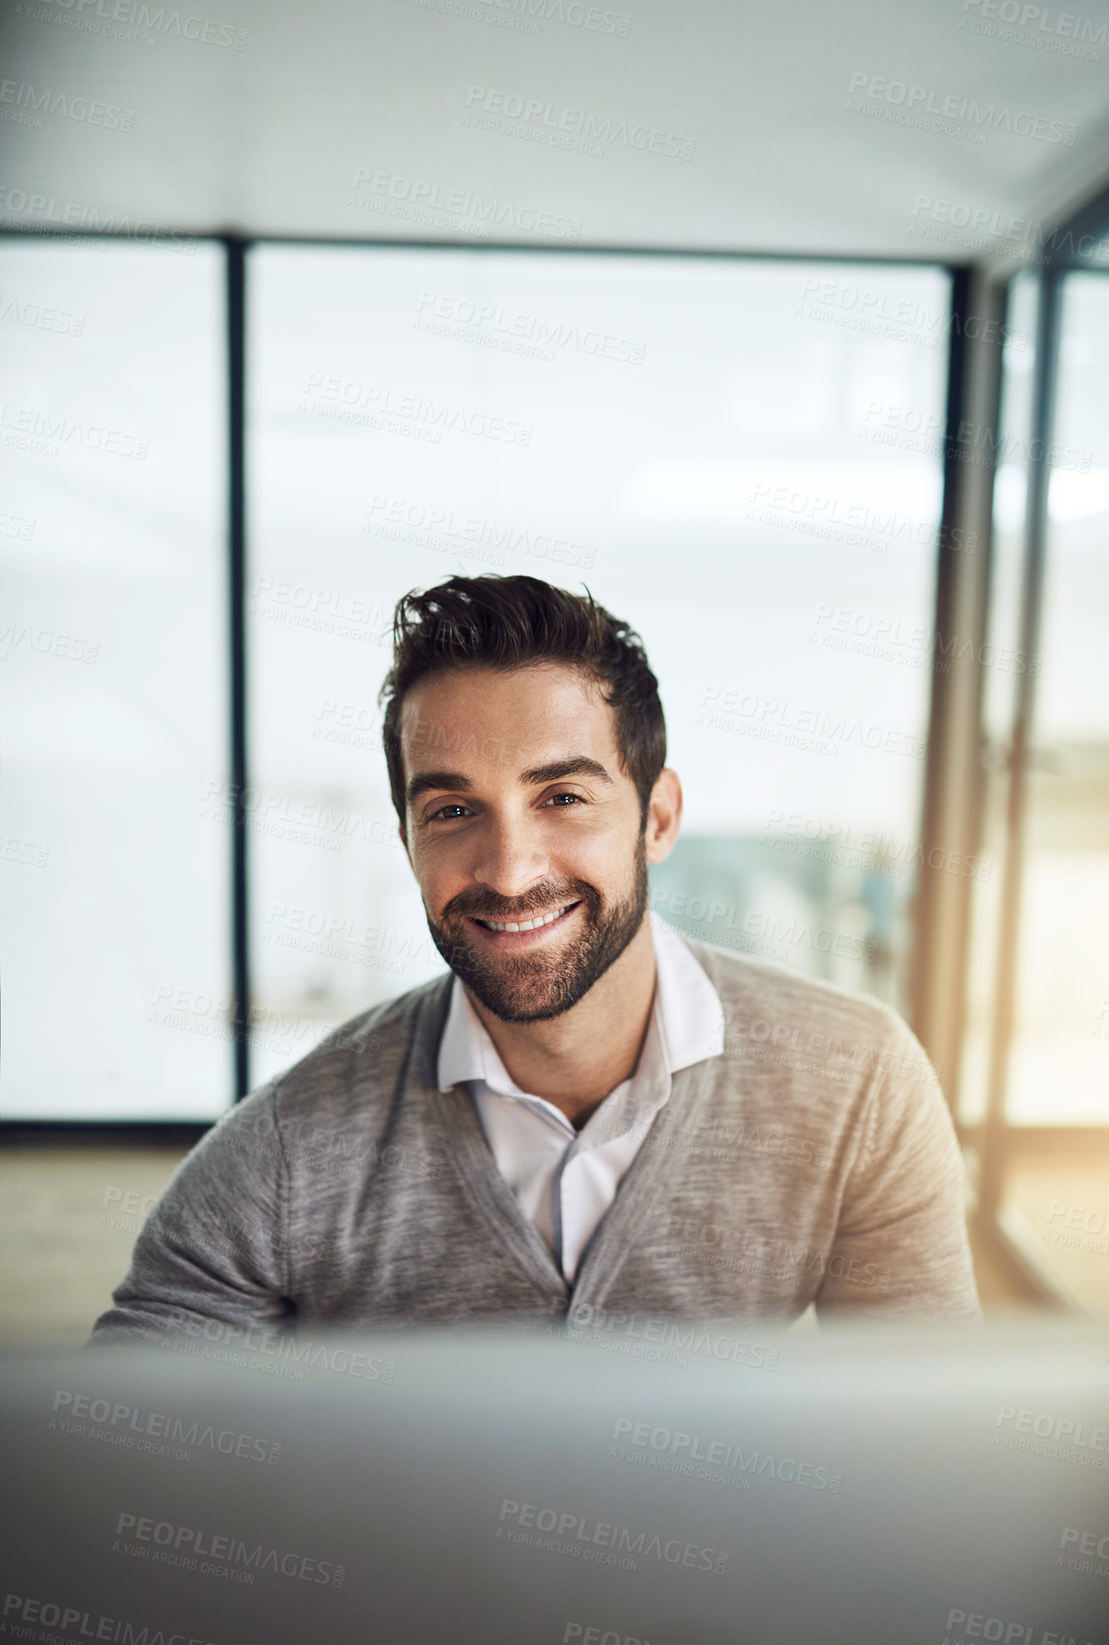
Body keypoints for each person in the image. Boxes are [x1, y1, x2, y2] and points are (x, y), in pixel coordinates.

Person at [88, 573, 981, 1345]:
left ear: (656, 818)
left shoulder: (854, 1077)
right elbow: (110, 1449)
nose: (510, 871)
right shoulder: (292, 1145)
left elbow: (930, 1443)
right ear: (407, 840)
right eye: (451, 810)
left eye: (561, 796)